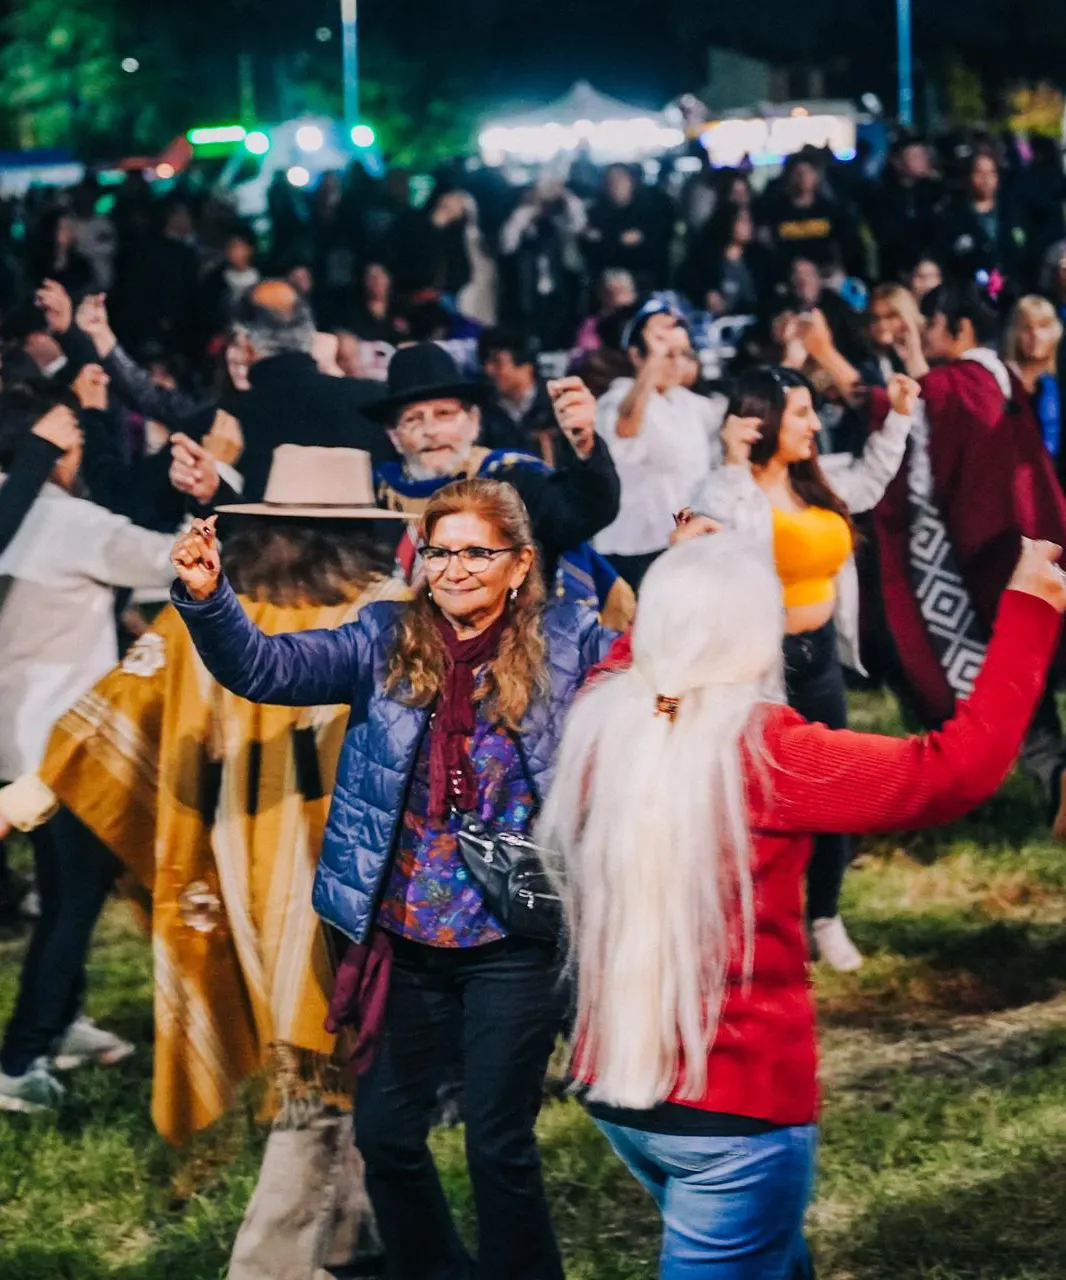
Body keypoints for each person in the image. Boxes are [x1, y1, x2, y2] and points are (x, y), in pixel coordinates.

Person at [538, 531, 1066, 1279]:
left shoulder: (600, 724)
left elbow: (635, 659)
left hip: (620, 1092)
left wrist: (684, 574)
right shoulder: (769, 753)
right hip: (734, 1112)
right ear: (760, 634)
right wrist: (1029, 611)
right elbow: (953, 771)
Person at [169, 477, 619, 1280]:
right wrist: (208, 598)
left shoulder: (568, 639)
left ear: (519, 565)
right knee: (386, 1137)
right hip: (403, 934)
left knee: (497, 1144)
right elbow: (270, 668)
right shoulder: (383, 637)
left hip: (514, 937)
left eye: (475, 552)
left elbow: (645, 701)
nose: (453, 569)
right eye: (439, 551)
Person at [3, 446, 403, 1271]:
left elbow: (116, 703)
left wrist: (29, 795)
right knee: (327, 1058)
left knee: (339, 1062)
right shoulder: (384, 610)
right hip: (356, 870)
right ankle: (271, 1262)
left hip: (252, 873)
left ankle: (357, 1233)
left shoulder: (216, 610)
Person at [690, 367, 919, 970]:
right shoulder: (726, 491)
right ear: (761, 420)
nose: (814, 424)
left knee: (833, 790)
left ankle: (825, 915)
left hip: (819, 661)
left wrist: (898, 415)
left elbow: (871, 482)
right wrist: (733, 462)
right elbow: (712, 529)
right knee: (757, 800)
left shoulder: (820, 480)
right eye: (800, 413)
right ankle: (757, 929)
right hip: (758, 670)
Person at [0, 385, 178, 1111]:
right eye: (75, 442)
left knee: (65, 890)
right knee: (76, 898)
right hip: (65, 751)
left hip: (17, 744)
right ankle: (21, 1059)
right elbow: (170, 561)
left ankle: (62, 1021)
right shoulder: (67, 520)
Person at [371, 342, 633, 627]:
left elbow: (585, 509)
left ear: (472, 423)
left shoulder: (511, 479)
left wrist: (584, 441)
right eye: (413, 419)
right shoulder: (377, 499)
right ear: (395, 437)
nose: (431, 431)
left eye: (444, 414)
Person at [593, 302, 727, 591]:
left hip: (684, 539)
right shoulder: (617, 398)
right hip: (634, 549)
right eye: (668, 354)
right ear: (636, 355)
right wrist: (654, 360)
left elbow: (734, 423)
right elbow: (625, 429)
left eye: (681, 354)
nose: (675, 362)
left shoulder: (688, 403)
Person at [498, 175, 587, 349]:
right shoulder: (521, 231)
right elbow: (507, 244)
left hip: (559, 294)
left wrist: (563, 194)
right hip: (526, 295)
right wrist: (527, 209)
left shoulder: (558, 227)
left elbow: (578, 224)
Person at [757, 152, 863, 276]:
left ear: (816, 176)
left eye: (807, 172)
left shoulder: (830, 211)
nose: (802, 178)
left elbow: (845, 245)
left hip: (825, 275)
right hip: (790, 277)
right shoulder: (776, 213)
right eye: (797, 173)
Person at [939, 151, 1029, 288]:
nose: (986, 179)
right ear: (969, 177)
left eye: (991, 173)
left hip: (1013, 285)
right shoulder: (954, 214)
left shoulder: (1012, 210)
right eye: (979, 173)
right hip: (970, 289)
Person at [865, 138, 942, 283]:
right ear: (898, 161)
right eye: (914, 156)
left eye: (923, 156)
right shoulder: (881, 194)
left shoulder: (936, 191)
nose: (921, 161)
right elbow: (885, 233)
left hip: (932, 266)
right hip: (896, 268)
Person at [678, 202, 772, 318]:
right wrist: (707, 294)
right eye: (742, 221)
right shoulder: (705, 259)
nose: (749, 226)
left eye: (749, 221)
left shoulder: (759, 259)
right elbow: (687, 282)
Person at [477, 327, 557, 460]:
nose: (488, 370)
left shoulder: (556, 403)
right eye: (486, 362)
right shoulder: (482, 408)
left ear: (526, 366)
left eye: (497, 362)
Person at [1004, 295, 1065, 466]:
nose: (1035, 335)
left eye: (1043, 326)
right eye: (1026, 327)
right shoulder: (1002, 382)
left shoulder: (1055, 384)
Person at [583, 164, 664, 292]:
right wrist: (618, 240)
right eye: (611, 181)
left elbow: (651, 248)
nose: (616, 185)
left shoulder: (648, 212)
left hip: (641, 283)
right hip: (604, 285)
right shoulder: (595, 213)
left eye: (620, 180)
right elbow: (591, 247)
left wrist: (605, 239)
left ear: (631, 182)